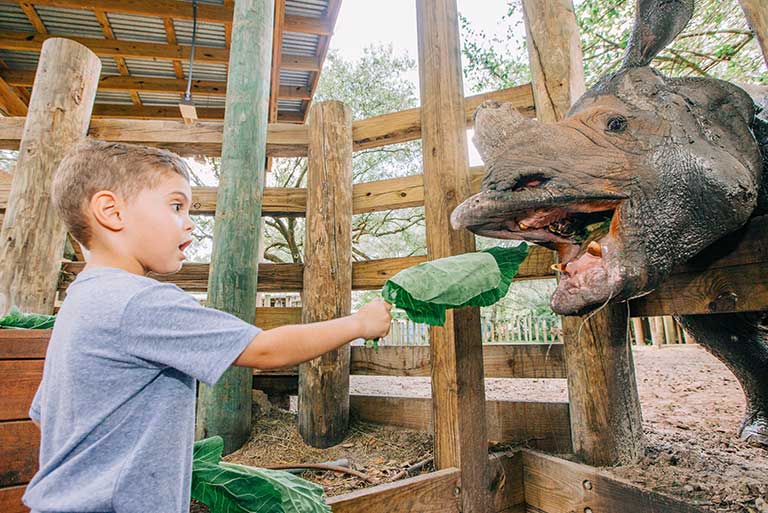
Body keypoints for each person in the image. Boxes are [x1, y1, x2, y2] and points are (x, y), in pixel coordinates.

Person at [23, 139, 392, 513]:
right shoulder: (140, 301)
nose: (190, 224)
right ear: (111, 211)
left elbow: (44, 415)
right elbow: (265, 350)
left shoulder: (81, 302)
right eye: (176, 206)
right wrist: (359, 322)